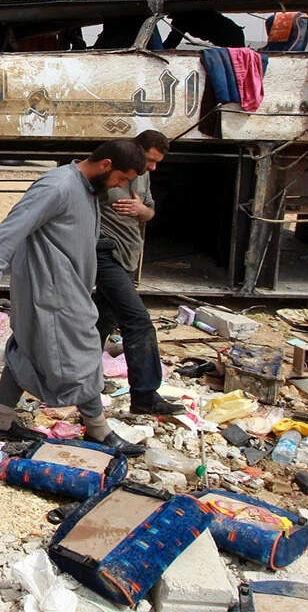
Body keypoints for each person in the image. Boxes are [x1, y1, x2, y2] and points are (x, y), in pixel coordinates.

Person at [0, 139, 148, 456]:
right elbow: (13, 227)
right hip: (52, 291)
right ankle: (98, 430)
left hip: (66, 287)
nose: (120, 186)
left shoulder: (86, 188)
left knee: (27, 349)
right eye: (121, 178)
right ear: (106, 165)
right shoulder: (58, 185)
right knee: (84, 352)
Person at [95, 130, 184, 416]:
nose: (153, 167)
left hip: (127, 257)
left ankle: (84, 379)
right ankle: (144, 395)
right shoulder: (105, 172)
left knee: (101, 321)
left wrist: (141, 209)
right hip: (105, 253)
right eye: (150, 160)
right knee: (138, 322)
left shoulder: (143, 176)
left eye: (157, 162)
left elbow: (150, 213)